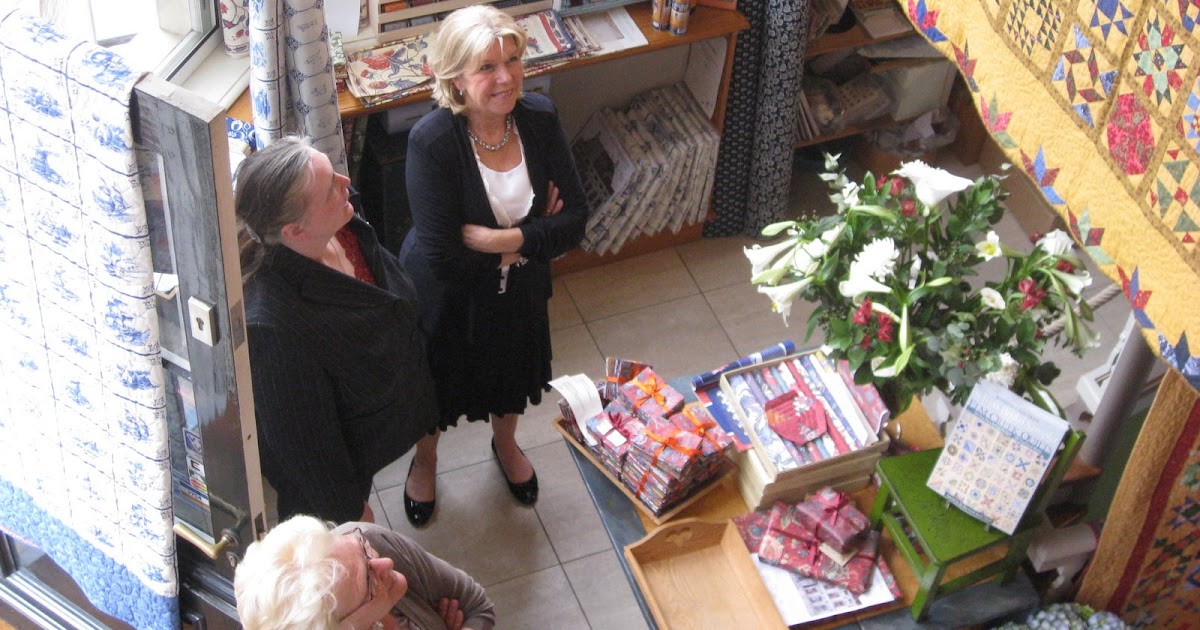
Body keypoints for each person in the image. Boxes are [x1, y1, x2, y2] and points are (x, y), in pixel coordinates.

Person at [398, 5, 588, 526]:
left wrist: (504, 241)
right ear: (455, 79)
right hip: (446, 295)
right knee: (436, 381)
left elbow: (576, 221)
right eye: (486, 67)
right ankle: (426, 459)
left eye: (512, 60)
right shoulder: (432, 142)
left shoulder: (541, 119)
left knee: (513, 369)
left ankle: (506, 446)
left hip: (519, 288)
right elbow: (444, 258)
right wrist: (535, 241)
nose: (505, 77)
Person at [236, 136, 439, 524]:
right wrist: (351, 511)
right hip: (355, 441)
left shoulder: (340, 219)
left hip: (398, 392)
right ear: (295, 230)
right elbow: (305, 448)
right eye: (330, 187)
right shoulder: (273, 328)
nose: (346, 182)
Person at [234, 515, 495, 630]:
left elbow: (476, 605)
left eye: (363, 550)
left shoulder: (366, 539)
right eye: (369, 581)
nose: (386, 563)